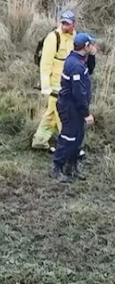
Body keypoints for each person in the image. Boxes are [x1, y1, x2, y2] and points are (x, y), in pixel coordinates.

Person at [50, 33, 96, 182]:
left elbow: (89, 70)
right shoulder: (75, 65)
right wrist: (86, 113)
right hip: (70, 108)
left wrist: (93, 56)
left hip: (75, 107)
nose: (94, 46)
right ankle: (57, 168)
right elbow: (78, 93)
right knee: (68, 137)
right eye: (91, 45)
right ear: (86, 46)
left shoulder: (78, 60)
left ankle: (71, 167)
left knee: (77, 138)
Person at [32, 10, 77, 152]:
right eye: (62, 23)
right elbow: (45, 64)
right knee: (63, 114)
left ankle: (39, 141)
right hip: (55, 85)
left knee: (52, 113)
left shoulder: (75, 36)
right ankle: (69, 146)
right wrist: (45, 86)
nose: (64, 26)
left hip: (68, 83)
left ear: (73, 25)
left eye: (67, 24)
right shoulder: (53, 38)